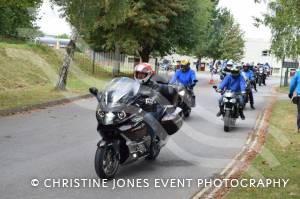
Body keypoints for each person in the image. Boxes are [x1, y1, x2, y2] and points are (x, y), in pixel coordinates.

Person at [134, 63, 165, 145]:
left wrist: (152, 99)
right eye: (138, 74)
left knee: (148, 119)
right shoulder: (133, 84)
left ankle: (152, 142)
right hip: (138, 107)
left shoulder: (154, 85)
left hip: (152, 107)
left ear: (148, 75)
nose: (139, 76)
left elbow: (157, 95)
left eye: (142, 74)